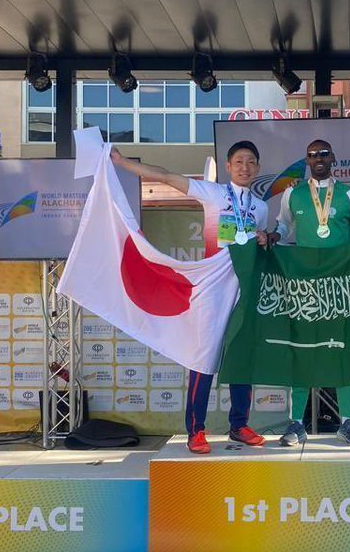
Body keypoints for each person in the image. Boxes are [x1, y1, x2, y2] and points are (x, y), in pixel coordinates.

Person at [111, 141, 269, 454]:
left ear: (258, 168)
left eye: (251, 161)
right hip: (212, 287)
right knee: (204, 356)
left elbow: (258, 246)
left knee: (241, 354)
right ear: (228, 166)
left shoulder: (261, 208)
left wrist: (265, 237)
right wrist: (124, 163)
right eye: (239, 161)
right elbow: (168, 177)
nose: (245, 167)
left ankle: (239, 425)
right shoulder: (213, 194)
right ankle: (195, 429)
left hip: (243, 288)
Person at [266, 139, 350, 447]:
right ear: (307, 160)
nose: (318, 159)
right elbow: (282, 226)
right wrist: (275, 236)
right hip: (304, 289)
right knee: (301, 352)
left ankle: (347, 422)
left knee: (343, 353)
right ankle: (296, 424)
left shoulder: (348, 195)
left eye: (324, 154)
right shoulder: (293, 193)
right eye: (312, 155)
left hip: (340, 289)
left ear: (333, 158)